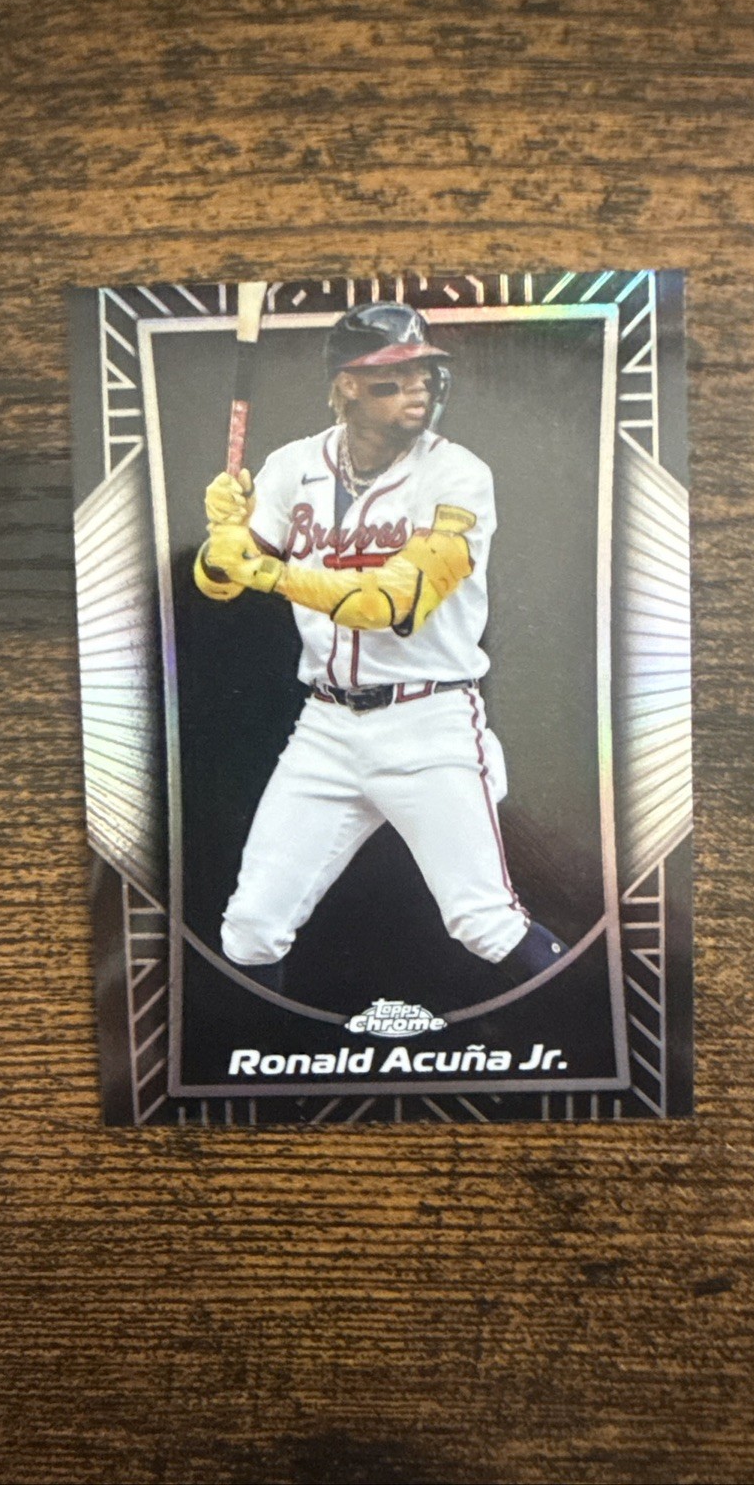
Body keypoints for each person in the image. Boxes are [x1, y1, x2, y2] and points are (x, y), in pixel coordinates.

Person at [193, 302, 565, 995]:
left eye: (424, 372)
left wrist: (270, 571)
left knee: (483, 923)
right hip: (326, 726)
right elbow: (220, 582)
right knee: (249, 927)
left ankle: (595, 1013)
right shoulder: (292, 466)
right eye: (395, 375)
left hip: (429, 723)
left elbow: (391, 602)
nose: (418, 387)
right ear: (347, 386)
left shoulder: (458, 476)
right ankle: (263, 1051)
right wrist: (222, 541)